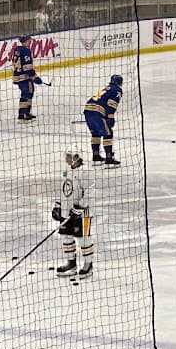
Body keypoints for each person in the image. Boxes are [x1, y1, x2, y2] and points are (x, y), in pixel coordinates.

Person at [52, 148, 94, 278]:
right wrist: (58, 206)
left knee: (83, 239)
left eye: (69, 156)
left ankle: (88, 264)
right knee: (66, 237)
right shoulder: (67, 171)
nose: (66, 158)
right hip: (66, 212)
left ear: (76, 157)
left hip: (82, 214)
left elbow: (90, 192)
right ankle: (71, 263)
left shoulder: (85, 172)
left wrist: (79, 207)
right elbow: (63, 190)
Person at [83, 74, 125, 166]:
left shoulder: (106, 88)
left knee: (96, 133)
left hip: (87, 109)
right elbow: (112, 104)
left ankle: (96, 155)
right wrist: (110, 117)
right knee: (108, 133)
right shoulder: (117, 90)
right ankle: (109, 158)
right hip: (97, 111)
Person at [11, 33, 41, 121]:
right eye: (29, 40)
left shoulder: (17, 49)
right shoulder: (26, 51)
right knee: (26, 93)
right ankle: (23, 114)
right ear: (25, 41)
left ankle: (26, 113)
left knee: (29, 92)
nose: (30, 42)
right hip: (24, 77)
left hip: (17, 76)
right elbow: (27, 67)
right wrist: (35, 77)